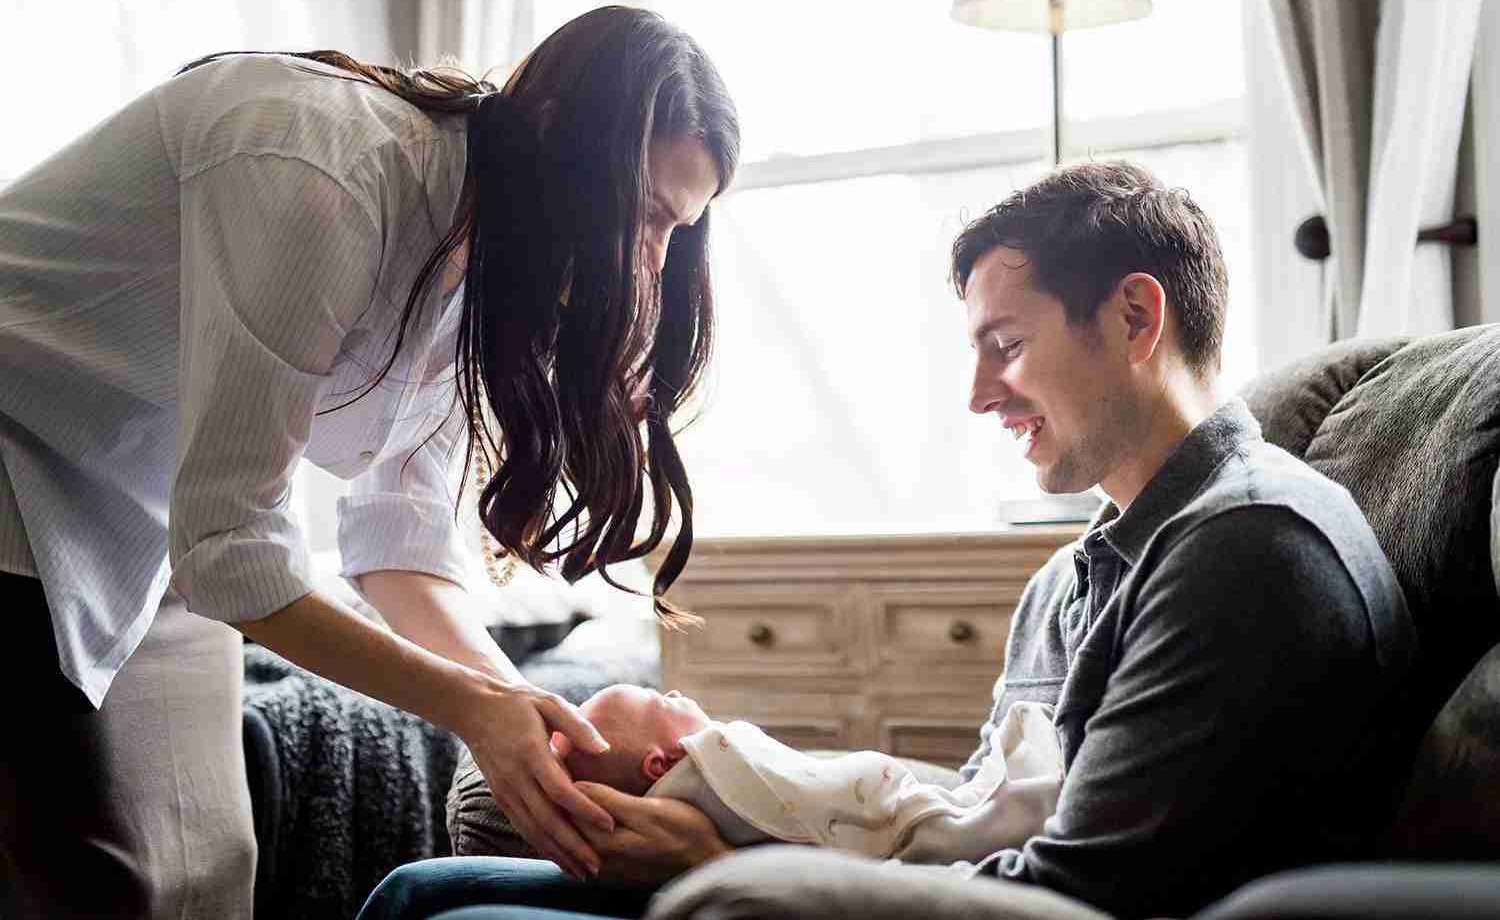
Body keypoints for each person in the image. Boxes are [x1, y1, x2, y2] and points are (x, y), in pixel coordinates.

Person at [356, 160, 1421, 920]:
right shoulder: (1073, 576)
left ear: (1137, 319)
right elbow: (961, 820)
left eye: (1007, 344)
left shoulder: (1244, 548)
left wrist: (726, 853)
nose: (976, 393)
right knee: (420, 888)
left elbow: (1076, 890)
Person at [0, 5, 739, 919]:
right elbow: (232, 541)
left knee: (208, 874)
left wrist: (523, 719)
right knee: (98, 875)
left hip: (153, 521)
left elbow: (402, 540)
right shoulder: (322, 164)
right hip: (17, 455)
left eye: (681, 230)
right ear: (556, 139)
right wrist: (471, 711)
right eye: (647, 217)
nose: (654, 267)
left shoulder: (486, 271)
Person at [549, 684, 1062, 863]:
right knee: (933, 822)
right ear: (660, 763)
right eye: (663, 702)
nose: (678, 694)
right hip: (874, 832)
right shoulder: (705, 766)